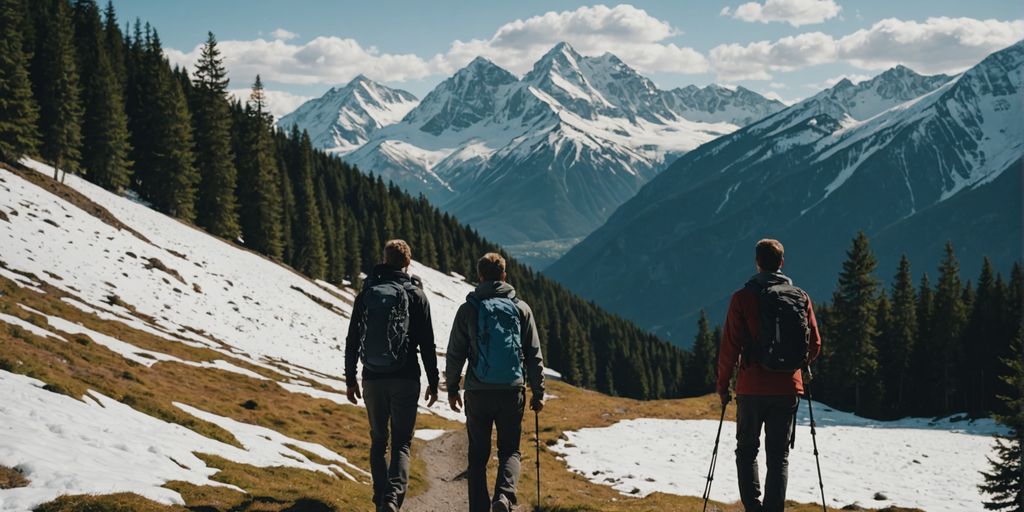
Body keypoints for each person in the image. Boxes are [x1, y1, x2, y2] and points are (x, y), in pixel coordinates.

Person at [716, 239, 822, 512]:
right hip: (787, 388)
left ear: (757, 262)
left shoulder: (742, 298)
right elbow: (815, 345)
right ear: (782, 263)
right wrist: (793, 366)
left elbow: (729, 347)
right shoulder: (801, 296)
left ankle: (753, 507)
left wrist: (722, 386)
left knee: (747, 450)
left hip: (751, 387)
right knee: (779, 456)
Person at [447, 252, 546, 512]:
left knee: (478, 456)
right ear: (504, 275)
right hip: (511, 390)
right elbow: (534, 355)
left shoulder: (469, 309)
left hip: (478, 391)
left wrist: (452, 388)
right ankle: (503, 497)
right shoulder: (521, 308)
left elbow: (456, 352)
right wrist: (538, 392)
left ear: (480, 276)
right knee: (510, 451)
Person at [345, 240, 439, 512]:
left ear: (384, 260)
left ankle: (379, 499)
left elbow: (353, 339)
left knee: (378, 442)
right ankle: (392, 498)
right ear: (408, 263)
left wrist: (350, 379)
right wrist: (433, 382)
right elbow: (427, 344)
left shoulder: (367, 294)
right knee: (401, 444)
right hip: (406, 378)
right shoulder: (417, 296)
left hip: (372, 377)